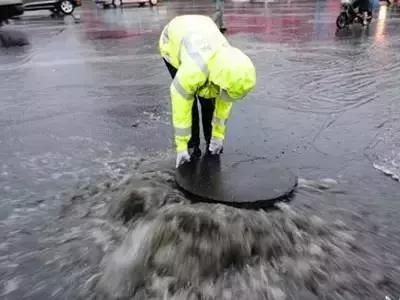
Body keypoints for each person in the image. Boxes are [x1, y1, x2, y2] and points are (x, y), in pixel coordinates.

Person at [159, 15, 256, 168]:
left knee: (208, 100)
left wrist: (217, 137)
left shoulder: (229, 65)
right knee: (189, 104)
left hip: (202, 28)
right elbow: (180, 105)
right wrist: (182, 146)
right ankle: (193, 145)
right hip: (172, 41)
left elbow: (225, 100)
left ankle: (210, 140)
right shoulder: (192, 70)